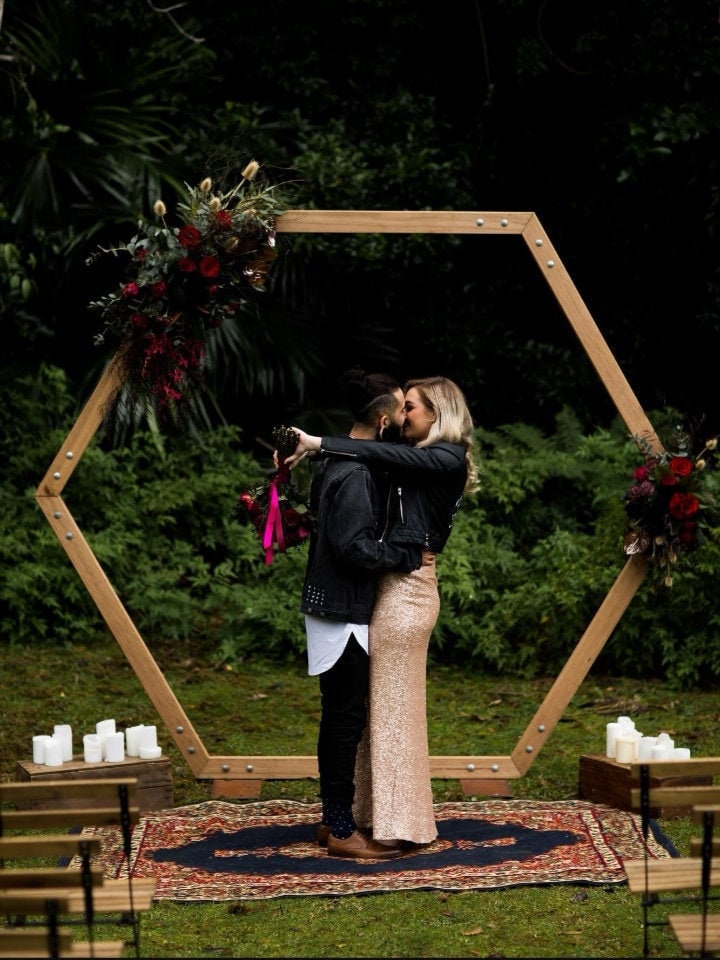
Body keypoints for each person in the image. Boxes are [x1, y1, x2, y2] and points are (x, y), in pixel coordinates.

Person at [287, 376, 480, 849]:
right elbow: (368, 452)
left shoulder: (447, 457)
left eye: (410, 407)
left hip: (406, 587)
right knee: (362, 712)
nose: (402, 416)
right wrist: (307, 453)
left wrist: (316, 444)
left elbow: (375, 454)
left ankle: (385, 819)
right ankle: (355, 817)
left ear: (438, 413)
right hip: (382, 584)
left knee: (385, 710)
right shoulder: (389, 459)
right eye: (400, 407)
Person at [297, 368, 432, 860]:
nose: (403, 419)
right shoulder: (353, 473)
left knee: (341, 715)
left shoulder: (342, 460)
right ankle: (338, 827)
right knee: (344, 719)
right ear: (382, 421)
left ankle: (331, 819)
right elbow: (353, 547)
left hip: (336, 604)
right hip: (341, 609)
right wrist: (403, 556)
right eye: (399, 410)